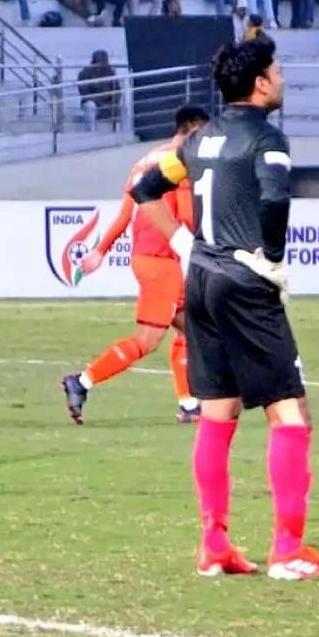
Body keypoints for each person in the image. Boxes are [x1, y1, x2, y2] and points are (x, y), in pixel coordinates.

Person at [129, 38, 319, 581]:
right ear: (259, 82)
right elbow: (275, 199)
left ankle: (214, 545)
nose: (281, 78)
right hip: (244, 283)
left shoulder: (199, 140)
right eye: (276, 71)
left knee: (218, 413)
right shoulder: (266, 138)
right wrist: (270, 258)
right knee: (291, 413)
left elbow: (145, 187)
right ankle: (288, 549)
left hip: (202, 282)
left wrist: (185, 244)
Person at [62, 106, 210, 426]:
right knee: (147, 340)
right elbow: (185, 217)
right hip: (163, 260)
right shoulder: (181, 161)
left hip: (147, 257)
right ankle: (82, 382)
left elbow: (125, 214)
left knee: (191, 328)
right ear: (193, 128)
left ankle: (189, 404)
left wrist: (101, 251)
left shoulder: (145, 161)